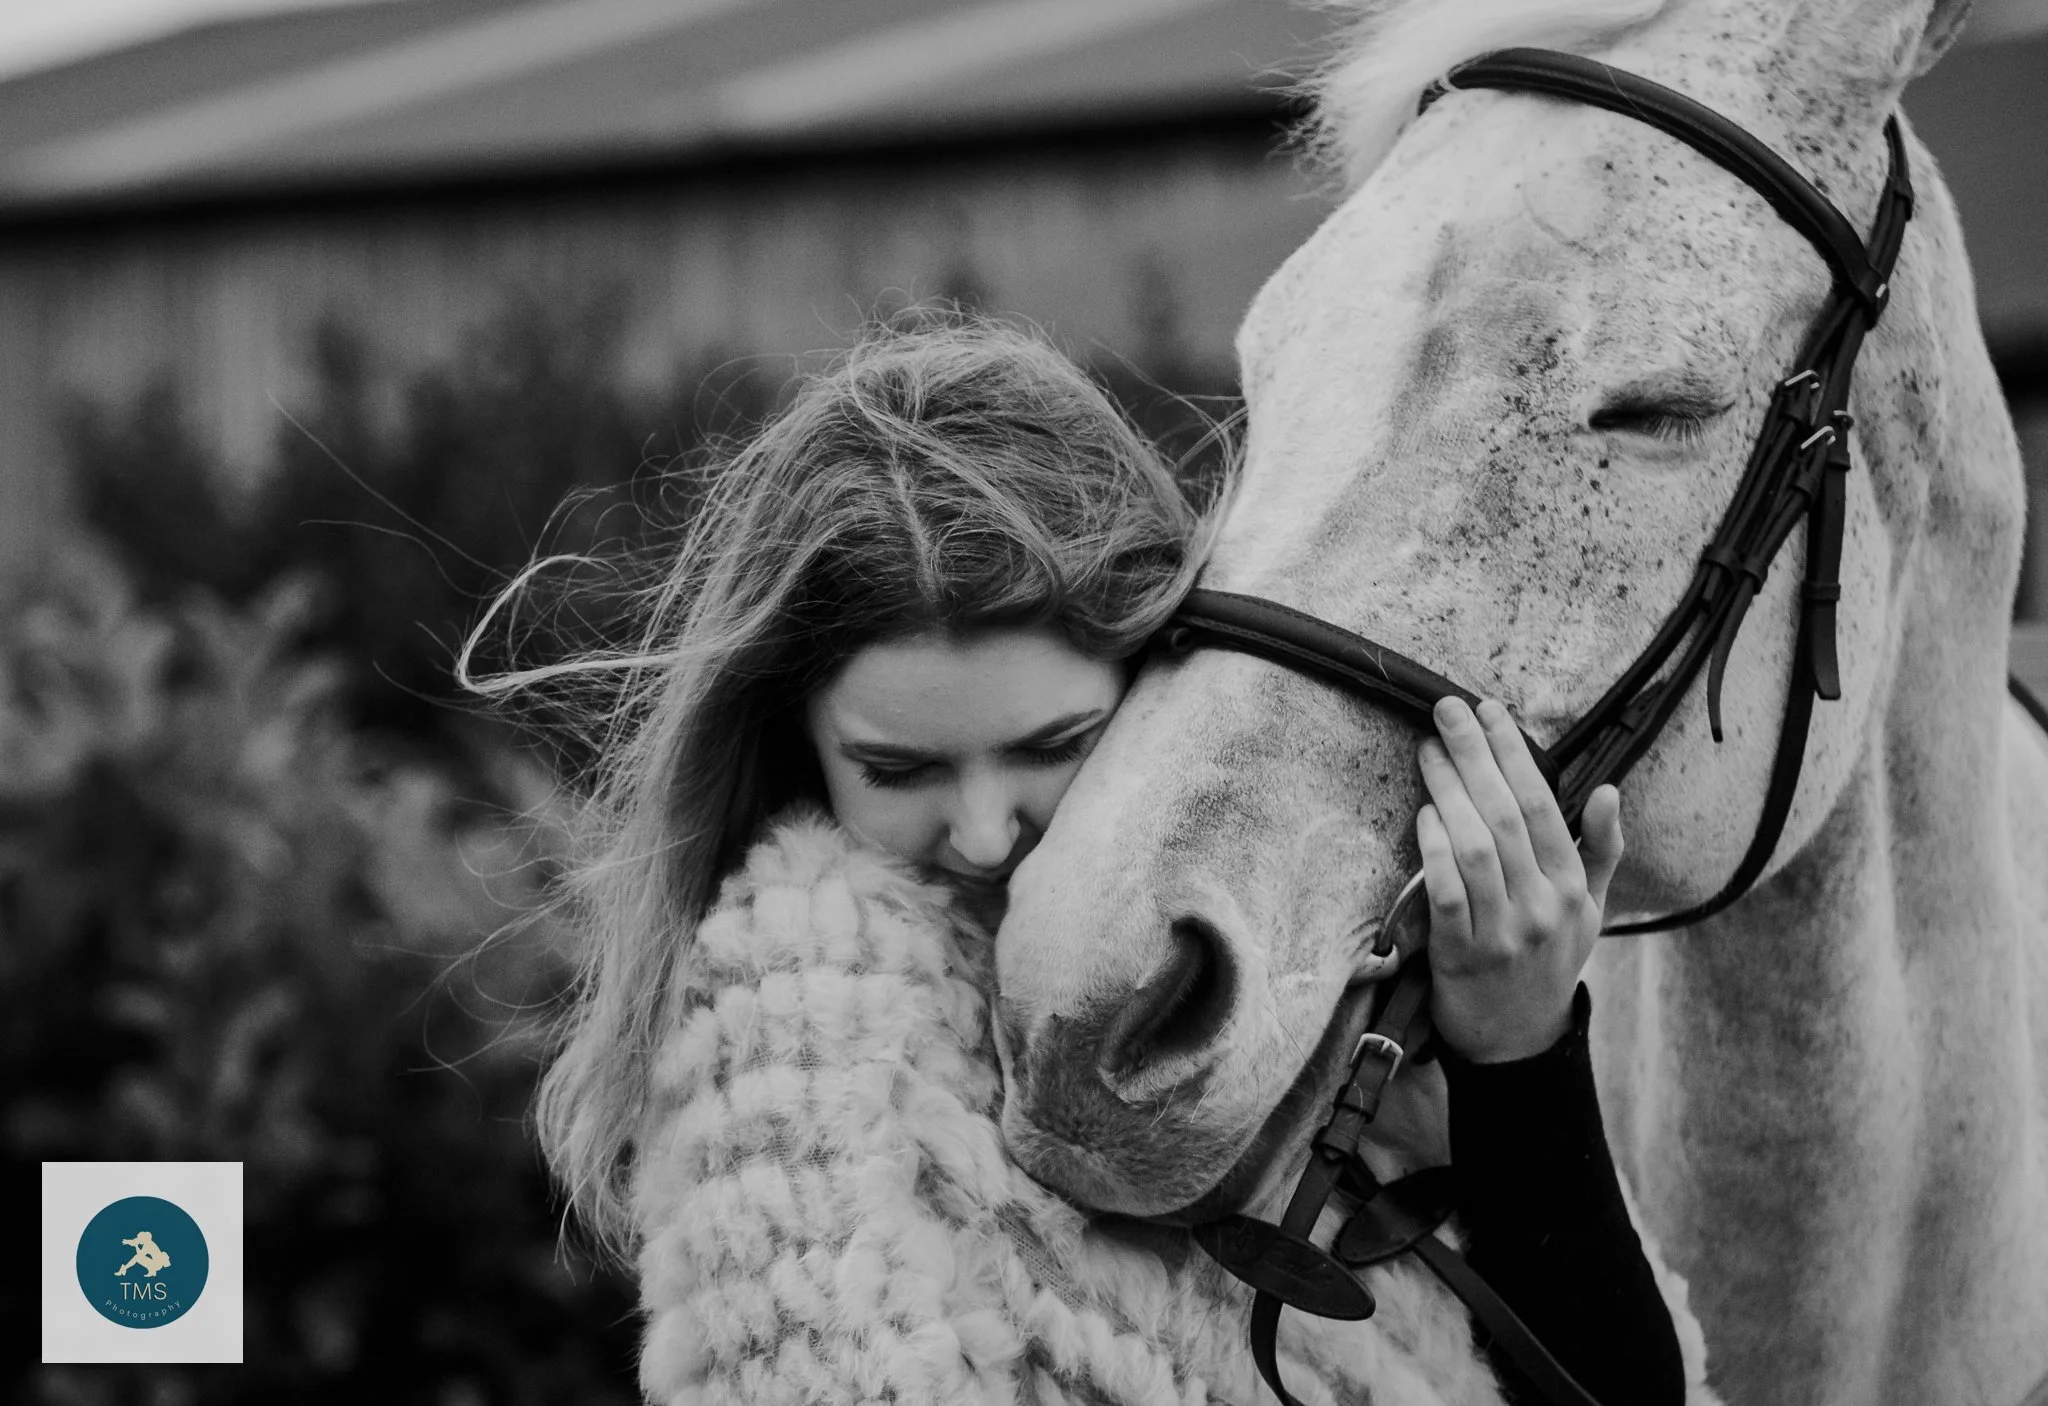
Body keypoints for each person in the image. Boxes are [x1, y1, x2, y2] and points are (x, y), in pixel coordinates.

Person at [464, 311, 1688, 1405]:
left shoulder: (1277, 957)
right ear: (797, 749)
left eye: (1055, 744)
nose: (987, 833)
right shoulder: (795, 1067)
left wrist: (1516, 1053)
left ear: (1165, 695)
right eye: (899, 770)